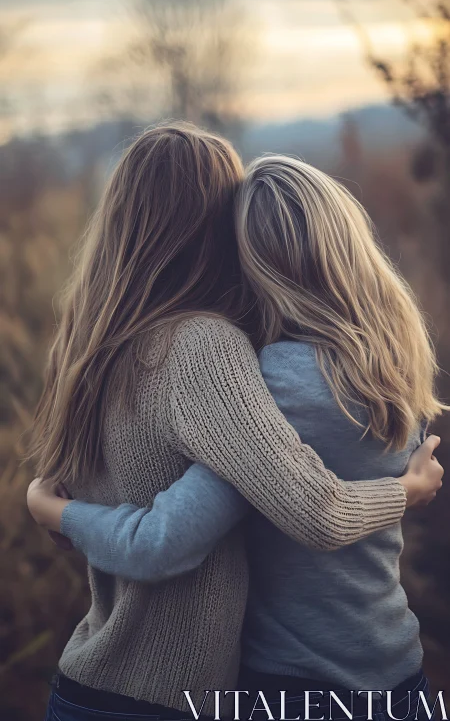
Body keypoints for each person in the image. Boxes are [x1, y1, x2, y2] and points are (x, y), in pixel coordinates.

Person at [27, 139, 444, 721]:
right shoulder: (390, 362)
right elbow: (176, 538)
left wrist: (52, 512)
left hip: (123, 677)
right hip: (373, 669)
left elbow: (116, 511)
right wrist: (408, 491)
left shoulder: (94, 351)